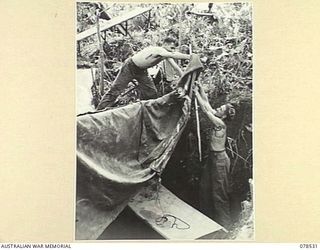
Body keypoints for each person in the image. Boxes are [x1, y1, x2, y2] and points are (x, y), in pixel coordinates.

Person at [96, 37, 191, 110]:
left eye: (174, 49)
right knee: (116, 90)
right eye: (171, 47)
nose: (172, 50)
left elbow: (176, 67)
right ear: (165, 44)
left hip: (142, 71)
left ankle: (145, 110)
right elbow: (172, 54)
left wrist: (185, 77)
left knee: (151, 92)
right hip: (130, 67)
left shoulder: (166, 54)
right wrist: (190, 57)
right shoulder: (160, 50)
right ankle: (99, 111)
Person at [194, 84, 235, 230]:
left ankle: (226, 226)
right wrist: (200, 89)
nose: (217, 109)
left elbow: (205, 110)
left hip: (220, 161)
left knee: (219, 194)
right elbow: (207, 104)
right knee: (204, 188)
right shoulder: (218, 117)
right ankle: (206, 221)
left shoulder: (220, 123)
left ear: (223, 116)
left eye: (221, 109)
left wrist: (195, 94)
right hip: (212, 159)